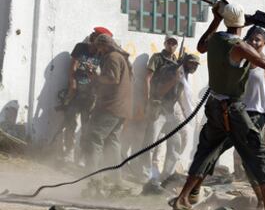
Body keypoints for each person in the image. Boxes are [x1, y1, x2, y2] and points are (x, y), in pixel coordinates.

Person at [172, 1, 265, 210]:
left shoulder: (217, 39)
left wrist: (217, 18)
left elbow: (201, 46)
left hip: (215, 106)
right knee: (258, 154)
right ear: (242, 25)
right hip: (234, 109)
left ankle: (182, 198)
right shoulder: (240, 46)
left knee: (207, 150)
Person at [138, 34, 200, 188]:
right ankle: (146, 176)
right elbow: (158, 90)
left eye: (196, 65)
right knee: (151, 142)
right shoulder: (167, 67)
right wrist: (147, 100)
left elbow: (179, 93)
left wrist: (184, 110)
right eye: (191, 64)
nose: (194, 68)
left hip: (171, 110)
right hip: (158, 107)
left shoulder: (180, 69)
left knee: (176, 143)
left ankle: (167, 176)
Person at [80, 34, 133, 184]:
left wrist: (95, 78)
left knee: (94, 139)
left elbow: (112, 79)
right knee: (112, 142)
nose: (98, 51)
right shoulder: (119, 57)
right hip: (121, 107)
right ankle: (115, 179)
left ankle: (92, 178)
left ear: (104, 46)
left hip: (111, 106)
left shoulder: (112, 57)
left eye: (98, 47)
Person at [59, 27, 113, 160]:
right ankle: (69, 151)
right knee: (70, 121)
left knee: (87, 126)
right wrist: (72, 83)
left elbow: (105, 76)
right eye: (93, 34)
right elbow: (73, 67)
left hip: (91, 94)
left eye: (96, 35)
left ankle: (82, 154)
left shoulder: (104, 55)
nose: (92, 36)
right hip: (76, 91)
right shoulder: (81, 47)